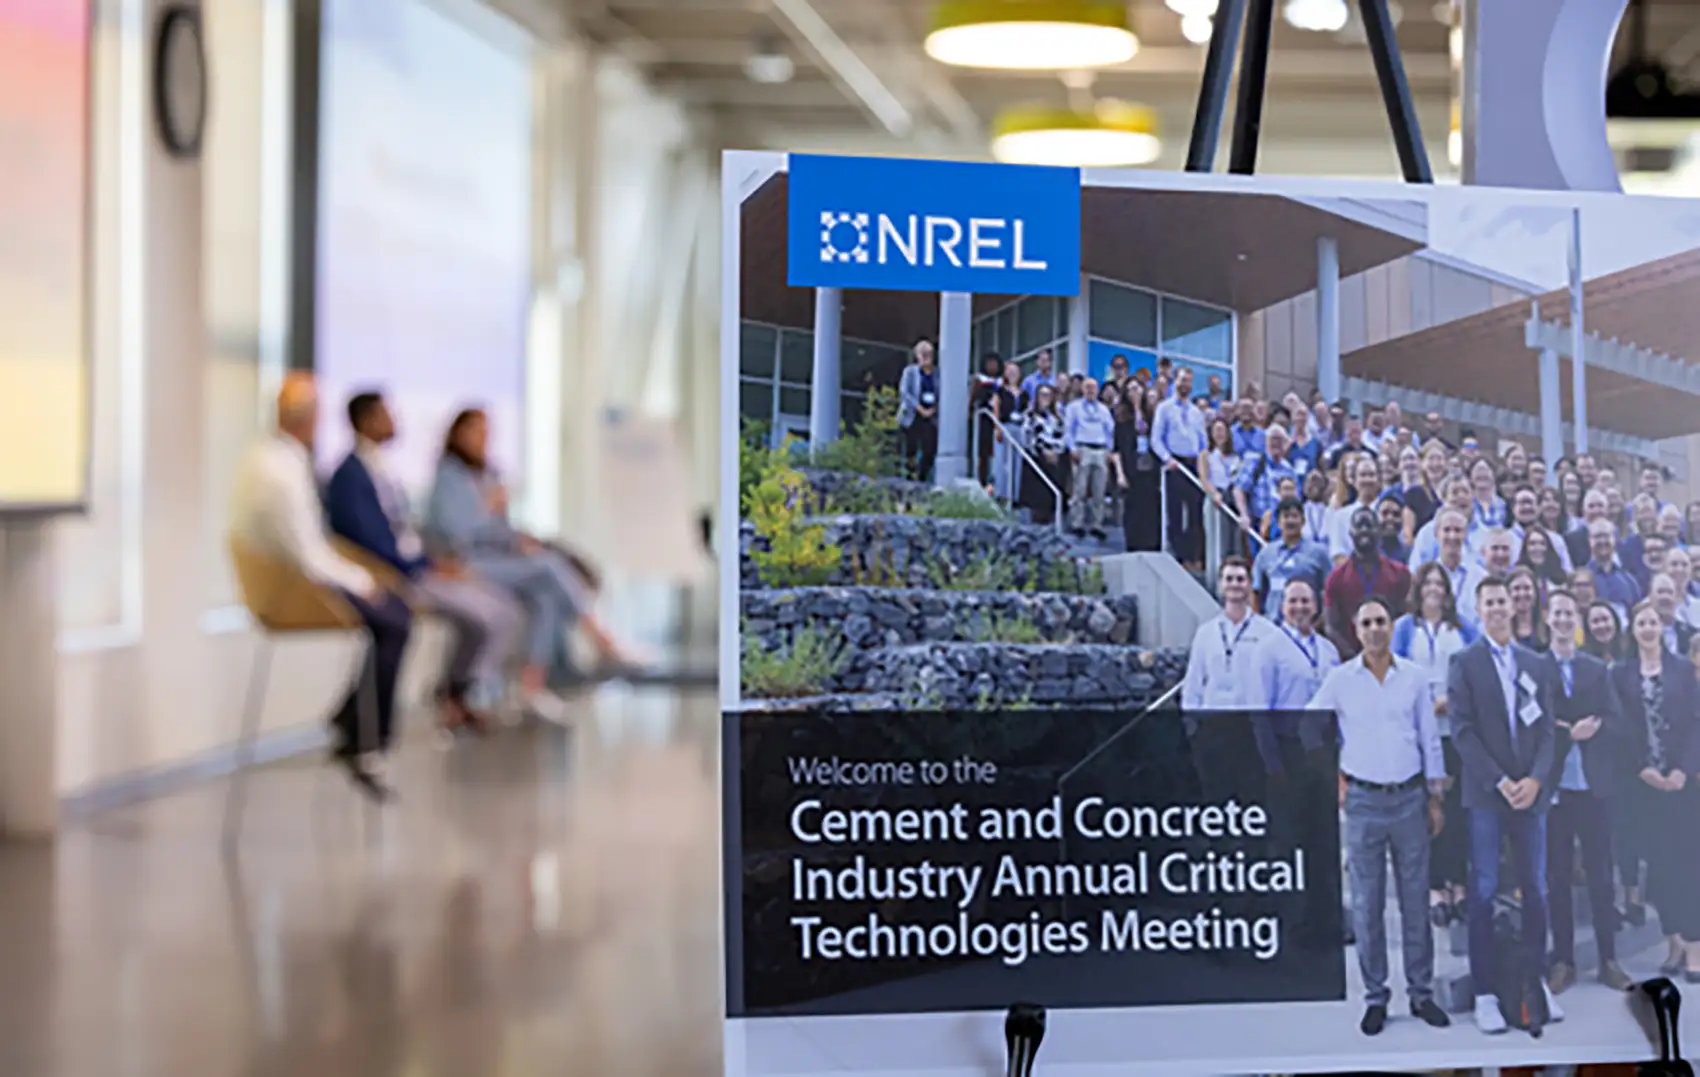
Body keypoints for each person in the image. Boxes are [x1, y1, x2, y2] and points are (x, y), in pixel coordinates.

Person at [227, 374, 413, 800]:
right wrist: (363, 580)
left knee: (391, 614)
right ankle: (366, 737)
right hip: (291, 589)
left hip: (295, 576)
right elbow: (310, 556)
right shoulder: (282, 471)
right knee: (394, 619)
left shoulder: (272, 459)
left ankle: (352, 722)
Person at [324, 392, 526, 736]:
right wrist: (424, 563)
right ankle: (451, 696)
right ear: (368, 420)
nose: (395, 421)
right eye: (387, 414)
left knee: (501, 610)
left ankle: (456, 693)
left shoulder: (380, 469)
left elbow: (401, 529)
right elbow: (375, 542)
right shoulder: (351, 476)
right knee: (487, 615)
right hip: (399, 575)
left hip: (422, 566)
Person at [424, 408, 649, 703]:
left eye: (486, 432)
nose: (482, 438)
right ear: (458, 434)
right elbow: (456, 534)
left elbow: (498, 530)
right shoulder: (448, 477)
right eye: (476, 431)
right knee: (549, 567)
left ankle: (531, 686)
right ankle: (601, 638)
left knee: (546, 595)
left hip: (498, 560)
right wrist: (487, 508)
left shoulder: (489, 474)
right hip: (466, 565)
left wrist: (517, 539)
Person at [1308, 596, 1450, 1036]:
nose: (1374, 629)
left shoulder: (1414, 678)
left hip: (1409, 798)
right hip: (1364, 802)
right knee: (1368, 905)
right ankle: (1375, 997)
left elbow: (1430, 738)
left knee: (1414, 903)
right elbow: (1308, 727)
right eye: (1366, 622)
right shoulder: (1340, 680)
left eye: (1381, 621)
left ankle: (1421, 993)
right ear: (1356, 629)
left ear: (1392, 627)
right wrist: (1333, 777)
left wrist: (1434, 796)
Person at [1448, 575, 1563, 1034]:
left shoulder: (1536, 662)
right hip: (1487, 796)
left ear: (1515, 607)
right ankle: (1486, 993)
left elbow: (1551, 730)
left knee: (1536, 888)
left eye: (1503, 600)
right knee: (1483, 890)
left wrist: (1535, 779)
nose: (1497, 608)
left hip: (1530, 796)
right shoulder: (1464, 663)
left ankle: (1535, 983)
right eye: (1489, 601)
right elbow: (1462, 732)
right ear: (1479, 609)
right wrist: (1500, 781)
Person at [1541, 588, 1634, 993]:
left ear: (1576, 622)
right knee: (1558, 878)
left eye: (1569, 614)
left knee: (1600, 876)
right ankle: (1563, 960)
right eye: (1557, 613)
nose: (1563, 620)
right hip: (1555, 790)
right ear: (1547, 619)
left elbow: (1618, 723)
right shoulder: (1534, 667)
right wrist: (1567, 735)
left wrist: (1592, 731)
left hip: (1594, 788)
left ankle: (1608, 959)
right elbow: (1530, 727)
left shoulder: (1596, 669)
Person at [1612, 602, 1700, 980]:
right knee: (1659, 869)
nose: (1648, 628)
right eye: (1641, 622)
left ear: (1663, 628)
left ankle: (1696, 948)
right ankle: (1673, 943)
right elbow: (1619, 726)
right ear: (1632, 629)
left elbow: (1697, 721)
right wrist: (1641, 768)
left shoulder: (1683, 670)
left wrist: (1683, 768)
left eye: (1653, 622)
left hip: (1682, 785)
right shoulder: (1621, 674)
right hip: (1643, 785)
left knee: (1688, 865)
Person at [1392, 561, 1477, 927]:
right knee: (1427, 811)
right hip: (1417, 732)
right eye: (1427, 582)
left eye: (1439, 583)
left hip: (1455, 732)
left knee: (1456, 812)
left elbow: (1476, 672)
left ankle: (1458, 884)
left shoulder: (1462, 629)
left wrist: (1453, 702)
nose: (1433, 589)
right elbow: (1392, 673)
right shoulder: (1403, 628)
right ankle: (1433, 888)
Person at [1181, 557, 1275, 711]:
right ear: (1220, 584)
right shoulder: (1205, 633)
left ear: (1250, 585)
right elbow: (1193, 683)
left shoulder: (1268, 632)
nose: (1235, 584)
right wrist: (1192, 725)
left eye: (1240, 579)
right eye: (1229, 579)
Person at [1324, 507, 1412, 659]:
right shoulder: (1336, 578)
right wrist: (1354, 656)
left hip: (1393, 657)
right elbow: (1331, 626)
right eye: (1359, 526)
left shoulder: (1400, 574)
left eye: (1369, 526)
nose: (1364, 530)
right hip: (1350, 661)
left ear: (1379, 531)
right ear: (1350, 533)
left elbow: (1407, 618)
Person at [1153, 367, 1209, 568]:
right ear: (1174, 382)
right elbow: (1156, 439)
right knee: (1174, 512)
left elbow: (1203, 443)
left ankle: (1193, 556)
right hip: (1174, 465)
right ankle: (1177, 555)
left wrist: (1204, 468)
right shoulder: (1164, 408)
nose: (1185, 385)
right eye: (1182, 380)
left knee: (1195, 513)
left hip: (1193, 465)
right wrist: (1167, 459)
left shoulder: (1196, 412)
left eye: (1189, 381)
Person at [1251, 497, 1332, 625]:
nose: (1290, 521)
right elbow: (1256, 591)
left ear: (1303, 521)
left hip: (1308, 625)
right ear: (1278, 522)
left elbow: (1329, 591)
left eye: (1295, 516)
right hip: (1273, 626)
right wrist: (1259, 623)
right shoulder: (1266, 554)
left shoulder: (1319, 553)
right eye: (1286, 516)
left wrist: (1319, 623)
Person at [1064, 377, 1115, 541]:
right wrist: (1072, 448)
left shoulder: (1103, 409)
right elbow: (1068, 429)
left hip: (1100, 450)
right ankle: (1077, 523)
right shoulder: (1074, 408)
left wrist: (1109, 450)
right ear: (1082, 390)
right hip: (1082, 448)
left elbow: (1109, 430)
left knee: (1099, 491)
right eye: (1087, 388)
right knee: (1079, 489)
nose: (1090, 391)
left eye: (1093, 388)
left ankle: (1097, 524)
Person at [1113, 385, 1162, 551]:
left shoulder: (1152, 416)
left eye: (1138, 389)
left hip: (1149, 468)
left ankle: (1152, 542)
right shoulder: (1121, 419)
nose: (1135, 393)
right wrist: (1120, 474)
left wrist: (1139, 409)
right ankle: (1133, 543)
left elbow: (1144, 430)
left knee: (1151, 507)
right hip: (1131, 469)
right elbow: (1117, 449)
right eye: (1131, 390)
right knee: (1133, 508)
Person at [1021, 384, 1066, 526]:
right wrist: (1043, 450)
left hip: (1054, 458)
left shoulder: (1057, 417)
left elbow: (1062, 436)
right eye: (1042, 394)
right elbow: (1028, 436)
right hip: (1036, 458)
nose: (1045, 398)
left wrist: (1055, 451)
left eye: (1048, 395)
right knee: (1037, 494)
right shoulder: (1030, 415)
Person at [896, 340, 939, 482]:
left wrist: (934, 409)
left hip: (931, 416)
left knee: (929, 449)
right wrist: (919, 408)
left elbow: (942, 393)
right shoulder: (910, 372)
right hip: (913, 416)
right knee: (911, 449)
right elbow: (905, 393)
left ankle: (921, 477)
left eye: (929, 354)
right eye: (923, 354)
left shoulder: (937, 373)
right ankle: (909, 478)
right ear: (917, 356)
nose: (927, 357)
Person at [1586, 518, 1643, 617]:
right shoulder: (1583, 579)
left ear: (1614, 539)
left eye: (1606, 536)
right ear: (1589, 540)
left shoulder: (1630, 581)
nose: (1602, 541)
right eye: (1597, 536)